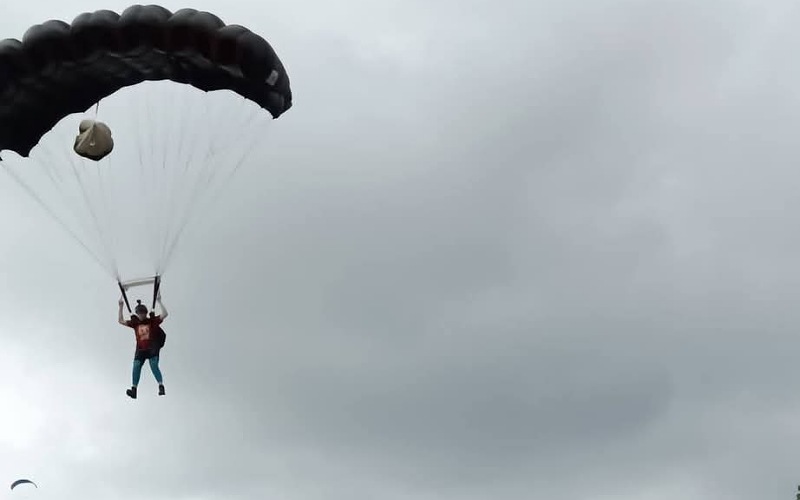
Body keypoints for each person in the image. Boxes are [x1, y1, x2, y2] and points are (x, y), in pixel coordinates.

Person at [118, 294, 169, 399]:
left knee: (153, 365)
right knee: (136, 366)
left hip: (152, 349)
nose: (141, 315)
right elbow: (121, 320)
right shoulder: (135, 323)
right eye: (139, 313)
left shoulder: (152, 321)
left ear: (146, 313)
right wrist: (121, 306)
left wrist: (159, 301)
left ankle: (161, 386)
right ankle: (134, 389)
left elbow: (165, 314)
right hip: (141, 350)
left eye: (143, 313)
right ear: (137, 314)